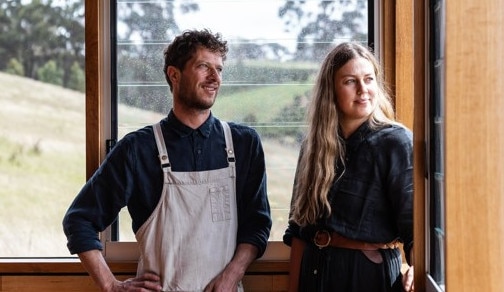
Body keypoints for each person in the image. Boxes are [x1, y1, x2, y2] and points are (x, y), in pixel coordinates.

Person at [63, 29, 272, 292]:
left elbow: (258, 225)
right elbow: (79, 220)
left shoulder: (244, 144)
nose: (214, 78)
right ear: (174, 75)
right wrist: (111, 286)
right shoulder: (138, 149)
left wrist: (232, 274)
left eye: (219, 69)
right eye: (203, 67)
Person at [283, 42, 414, 292]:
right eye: (350, 81)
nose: (363, 90)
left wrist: (419, 267)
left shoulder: (396, 142)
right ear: (331, 89)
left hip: (368, 277)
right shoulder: (313, 146)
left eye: (369, 79)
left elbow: (415, 230)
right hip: (314, 274)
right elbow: (299, 229)